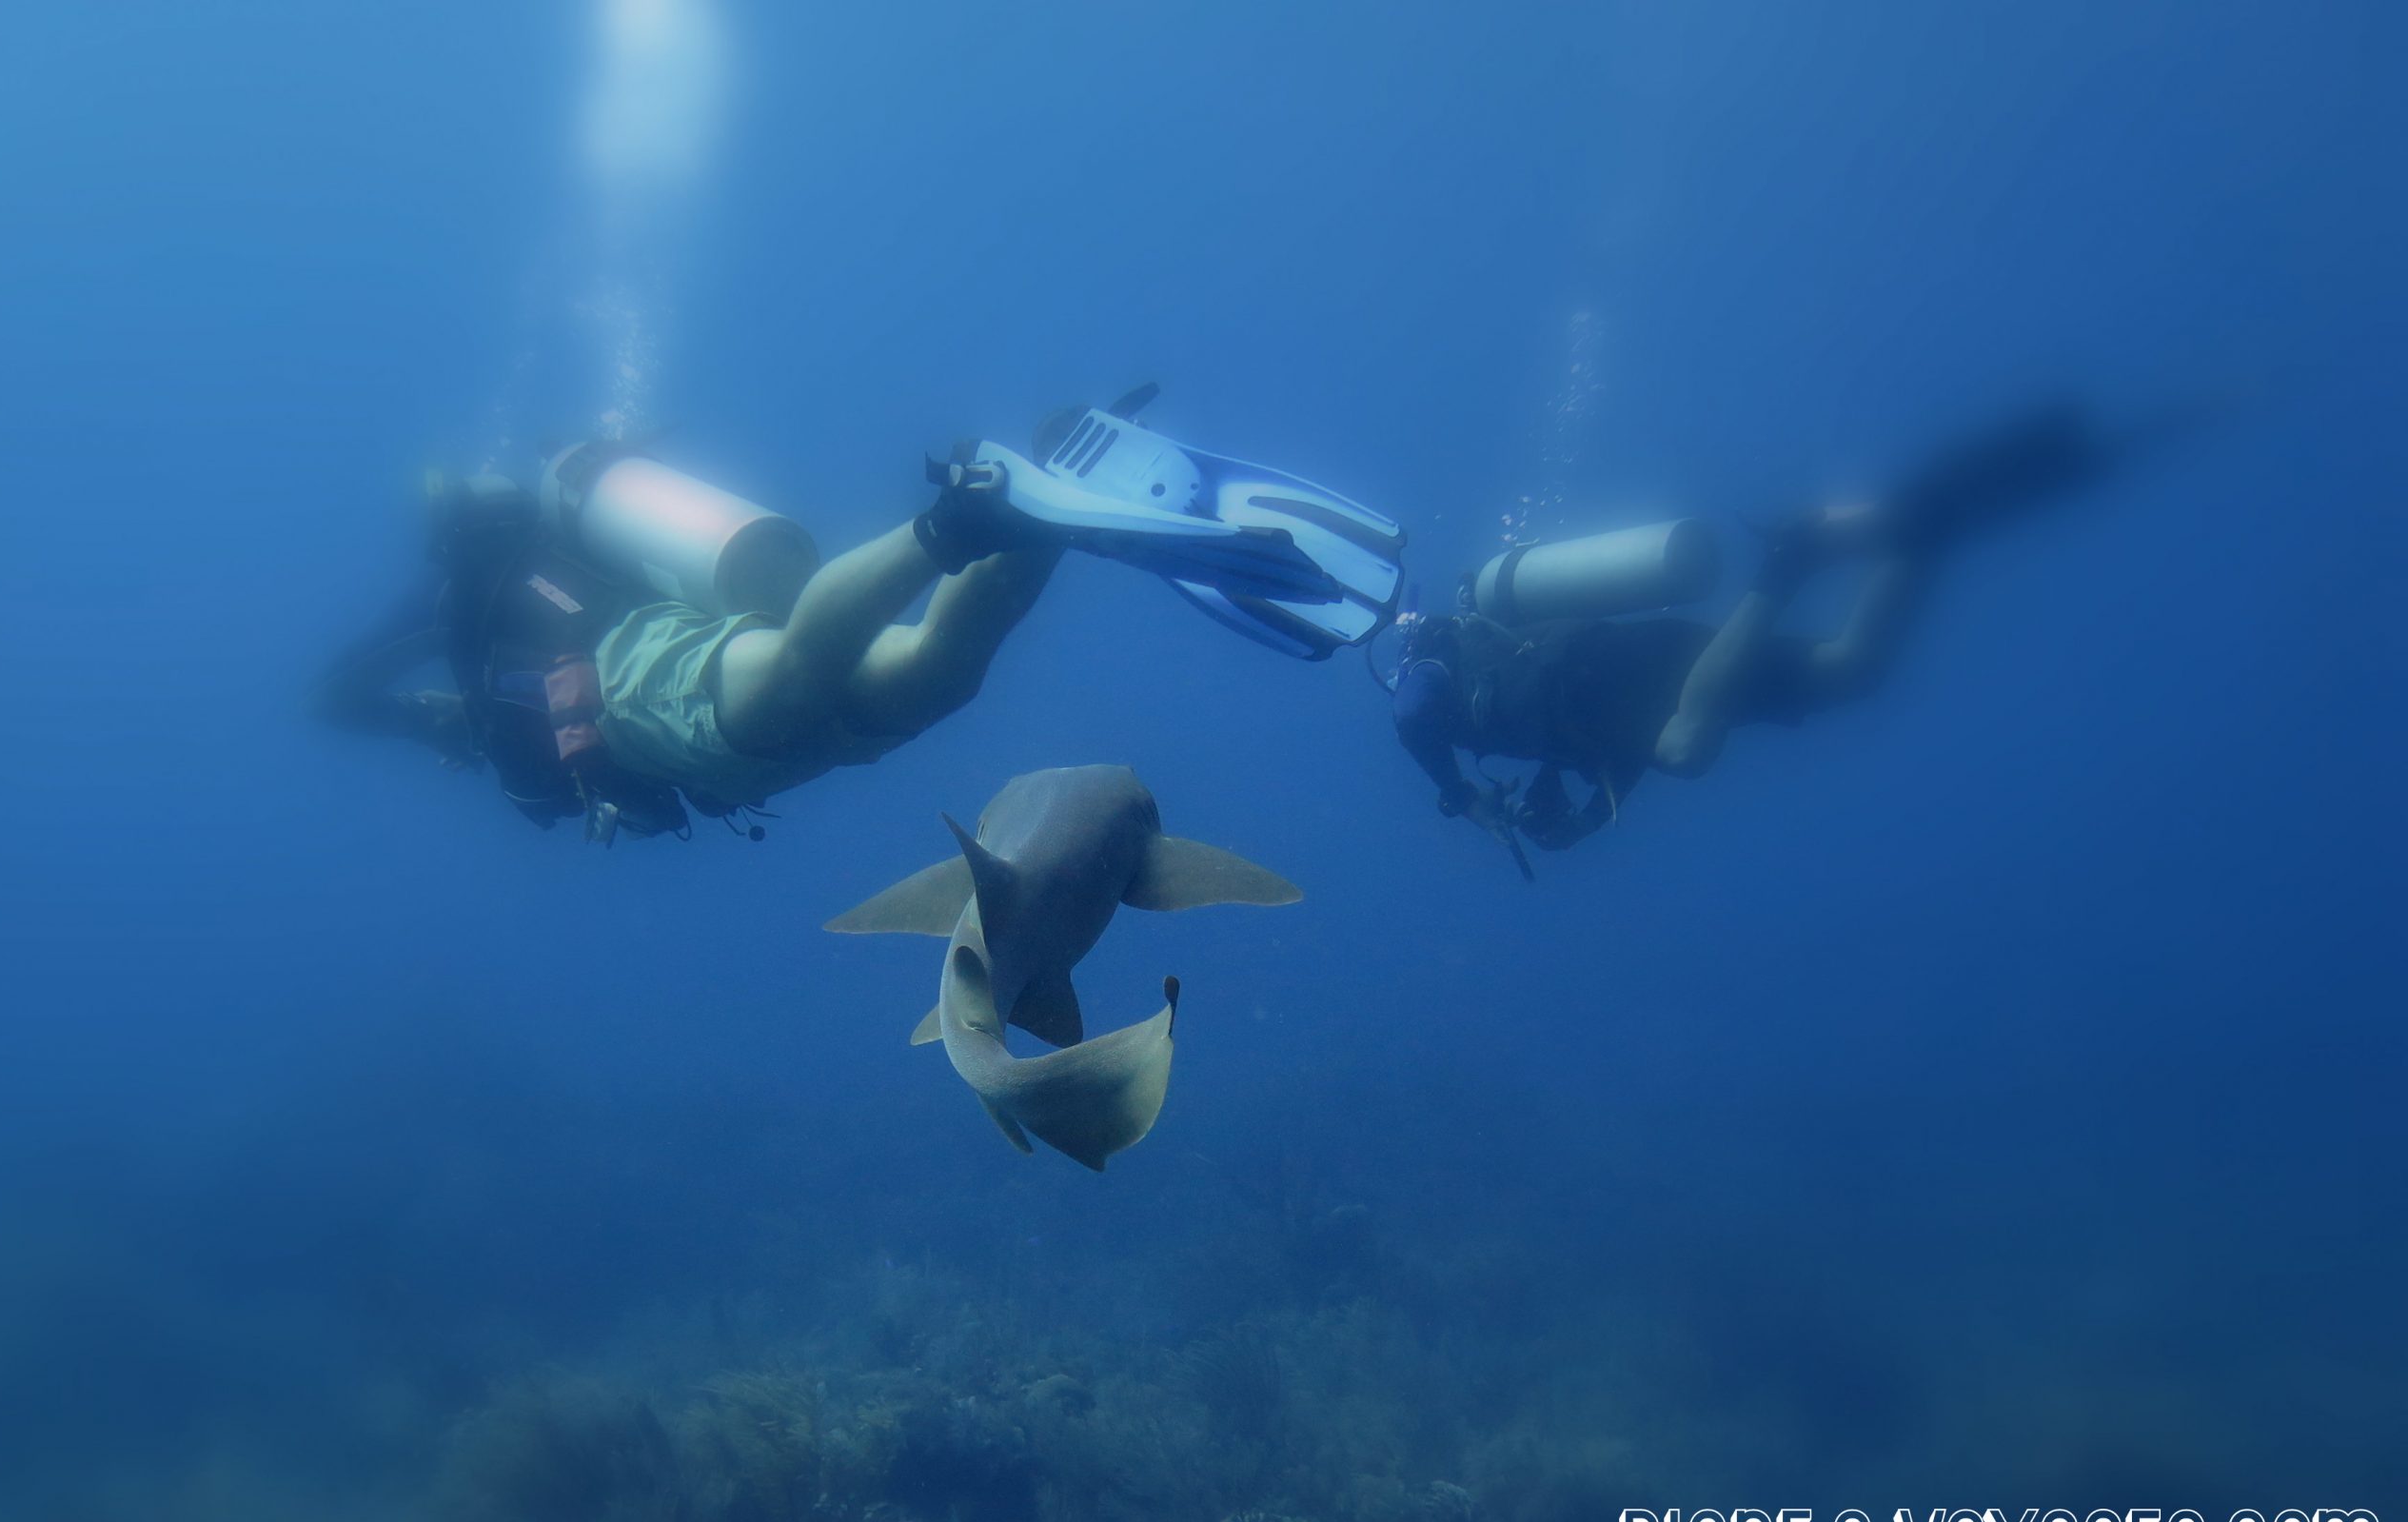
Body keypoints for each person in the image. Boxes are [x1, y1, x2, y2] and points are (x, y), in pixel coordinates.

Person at [316, 394, 1400, 840]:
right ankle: (1031, 518)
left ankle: (958, 521)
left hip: (642, 681)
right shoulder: (519, 583)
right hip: (700, 724)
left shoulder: (463, 604)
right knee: (936, 674)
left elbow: (338, 697)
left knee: (793, 681)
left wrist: (428, 709)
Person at [1391, 403, 2115, 866]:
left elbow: (1411, 715)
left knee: (1686, 750)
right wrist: (1581, 819)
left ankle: (1786, 565)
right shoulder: (1503, 709)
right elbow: (1619, 744)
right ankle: (1929, 521)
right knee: (1852, 669)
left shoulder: (1429, 669)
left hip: (1614, 668)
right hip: (1645, 674)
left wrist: (1461, 797)